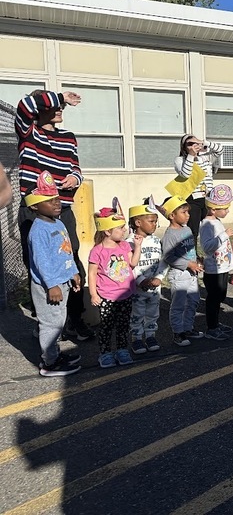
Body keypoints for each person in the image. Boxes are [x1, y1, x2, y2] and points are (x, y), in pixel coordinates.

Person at [16, 89, 94, 340]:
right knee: (39, 265)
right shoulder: (28, 131)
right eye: (56, 106)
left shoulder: (69, 137)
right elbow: (26, 104)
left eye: (62, 106)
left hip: (64, 209)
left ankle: (75, 318)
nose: (61, 109)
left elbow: (75, 166)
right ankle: (49, 326)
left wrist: (75, 177)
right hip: (35, 210)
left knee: (71, 261)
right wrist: (60, 97)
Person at [25, 171, 81, 377]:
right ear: (34, 206)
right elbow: (42, 262)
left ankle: (54, 354)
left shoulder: (58, 223)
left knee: (59, 320)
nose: (56, 204)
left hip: (62, 282)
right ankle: (50, 363)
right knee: (51, 323)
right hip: (49, 286)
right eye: (49, 201)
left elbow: (66, 252)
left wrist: (74, 272)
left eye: (57, 199)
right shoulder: (39, 230)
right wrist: (51, 285)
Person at [88, 199, 142, 369]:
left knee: (123, 325)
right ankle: (105, 353)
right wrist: (93, 294)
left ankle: (122, 350)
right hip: (106, 296)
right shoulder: (98, 250)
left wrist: (138, 246)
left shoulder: (125, 245)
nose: (124, 230)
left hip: (125, 293)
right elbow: (92, 273)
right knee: (106, 327)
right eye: (120, 228)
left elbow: (132, 263)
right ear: (107, 231)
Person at [159, 194, 204, 346]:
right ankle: (178, 332)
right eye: (183, 212)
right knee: (178, 304)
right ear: (172, 215)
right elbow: (168, 256)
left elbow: (191, 249)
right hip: (179, 274)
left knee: (193, 301)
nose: (188, 215)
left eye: (188, 212)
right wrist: (188, 264)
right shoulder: (170, 235)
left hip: (192, 273)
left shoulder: (188, 229)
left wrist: (197, 259)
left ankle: (188, 327)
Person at [127, 197, 167, 354]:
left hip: (154, 288)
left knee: (152, 313)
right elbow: (129, 265)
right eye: (151, 221)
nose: (155, 225)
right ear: (138, 222)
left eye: (156, 221)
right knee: (136, 314)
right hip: (138, 289)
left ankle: (150, 335)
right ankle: (136, 338)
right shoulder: (130, 242)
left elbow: (163, 261)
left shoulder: (157, 241)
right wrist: (141, 280)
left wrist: (159, 277)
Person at [199, 184, 233, 339]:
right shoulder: (207, 224)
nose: (227, 211)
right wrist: (224, 235)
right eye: (225, 208)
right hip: (213, 269)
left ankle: (216, 323)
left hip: (222, 267)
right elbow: (207, 247)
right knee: (214, 298)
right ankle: (211, 327)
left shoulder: (217, 221)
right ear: (213, 209)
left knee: (220, 296)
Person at [174, 134, 224, 241]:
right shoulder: (180, 160)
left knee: (213, 227)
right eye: (190, 144)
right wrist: (191, 156)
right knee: (193, 229)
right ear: (184, 147)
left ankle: (215, 251)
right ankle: (193, 255)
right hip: (193, 199)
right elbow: (185, 175)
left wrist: (204, 142)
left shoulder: (206, 157)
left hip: (208, 198)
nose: (193, 146)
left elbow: (220, 150)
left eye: (195, 143)